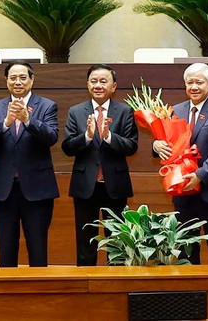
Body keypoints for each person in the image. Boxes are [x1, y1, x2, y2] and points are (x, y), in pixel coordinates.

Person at [0, 61, 58, 267]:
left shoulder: (47, 105)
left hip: (37, 188)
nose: (18, 82)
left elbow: (51, 137)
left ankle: (39, 292)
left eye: (23, 77)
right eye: (13, 78)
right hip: (4, 188)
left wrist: (29, 121)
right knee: (6, 247)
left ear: (32, 80)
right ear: (6, 81)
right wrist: (5, 122)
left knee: (38, 247)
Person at [153, 62, 208, 264]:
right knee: (185, 252)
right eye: (190, 82)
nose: (194, 87)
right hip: (183, 193)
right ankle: (190, 295)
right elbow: (168, 143)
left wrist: (200, 175)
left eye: (199, 82)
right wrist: (156, 144)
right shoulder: (174, 110)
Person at [61, 64, 138, 266]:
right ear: (87, 85)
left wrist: (109, 136)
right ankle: (85, 287)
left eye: (103, 81)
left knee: (118, 243)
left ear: (114, 86)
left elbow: (131, 146)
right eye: (94, 81)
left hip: (115, 186)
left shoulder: (125, 111)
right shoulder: (76, 112)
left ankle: (116, 286)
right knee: (86, 241)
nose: (98, 85)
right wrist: (86, 136)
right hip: (85, 185)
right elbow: (67, 147)